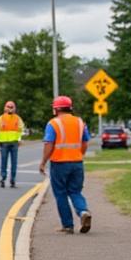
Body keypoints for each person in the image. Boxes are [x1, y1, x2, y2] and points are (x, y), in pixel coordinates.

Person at [39, 95, 92, 233]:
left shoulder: (53, 123)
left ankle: (68, 225)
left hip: (59, 164)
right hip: (77, 163)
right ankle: (83, 212)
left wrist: (43, 162)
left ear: (56, 109)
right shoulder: (80, 122)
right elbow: (85, 142)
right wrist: (79, 155)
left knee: (61, 194)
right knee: (75, 191)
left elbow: (49, 144)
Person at [0, 100, 25, 188]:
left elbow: (21, 130)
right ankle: (3, 178)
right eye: (8, 107)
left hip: (14, 143)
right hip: (4, 143)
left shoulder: (17, 119)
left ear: (14, 108)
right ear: (5, 108)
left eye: (12, 107)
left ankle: (12, 180)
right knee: (4, 161)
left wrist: (19, 139)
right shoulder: (0, 118)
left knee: (14, 162)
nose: (10, 108)